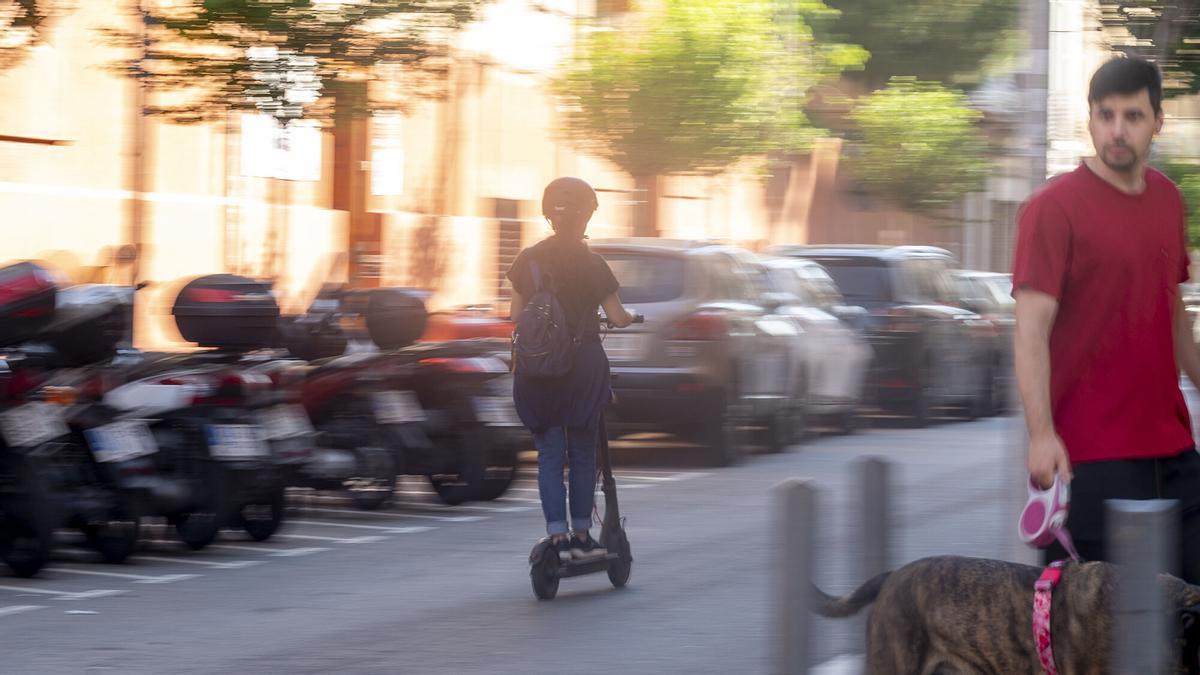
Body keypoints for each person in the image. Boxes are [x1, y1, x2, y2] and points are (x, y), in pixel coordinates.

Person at [1013, 57, 1200, 579]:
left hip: (1175, 453)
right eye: (1106, 115)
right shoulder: (1052, 209)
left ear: (1158, 121)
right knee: (1100, 646)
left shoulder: (1168, 199)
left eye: (1133, 116)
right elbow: (1030, 332)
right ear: (1091, 119)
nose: (1117, 130)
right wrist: (1041, 434)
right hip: (1090, 461)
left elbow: (1174, 314)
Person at [507, 177, 634, 561]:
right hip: (582, 370)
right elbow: (615, 315)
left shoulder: (527, 260)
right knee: (581, 451)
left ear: (549, 215)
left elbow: (515, 316)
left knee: (549, 454)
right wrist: (628, 318)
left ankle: (556, 536)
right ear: (587, 215)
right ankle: (582, 535)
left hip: (536, 372)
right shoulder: (593, 264)